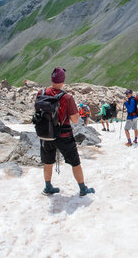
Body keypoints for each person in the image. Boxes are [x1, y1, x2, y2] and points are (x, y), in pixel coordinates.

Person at [37, 67, 95, 197]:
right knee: (75, 163)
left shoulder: (41, 93)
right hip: (64, 136)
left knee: (47, 162)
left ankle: (48, 187)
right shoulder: (67, 98)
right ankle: (83, 188)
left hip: (46, 134)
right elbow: (75, 120)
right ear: (63, 80)